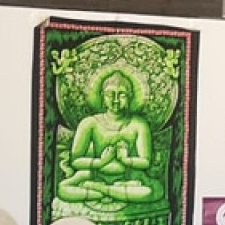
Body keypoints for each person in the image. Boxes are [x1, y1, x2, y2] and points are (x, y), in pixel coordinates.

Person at [57, 71, 157, 206]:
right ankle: (114, 192)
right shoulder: (89, 123)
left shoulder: (139, 124)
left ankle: (100, 190)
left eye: (122, 94)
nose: (115, 100)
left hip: (127, 177)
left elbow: (145, 162)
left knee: (153, 191)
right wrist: (100, 162)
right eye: (110, 94)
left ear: (130, 97)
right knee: (62, 189)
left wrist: (126, 160)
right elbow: (75, 160)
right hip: (95, 174)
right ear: (102, 96)